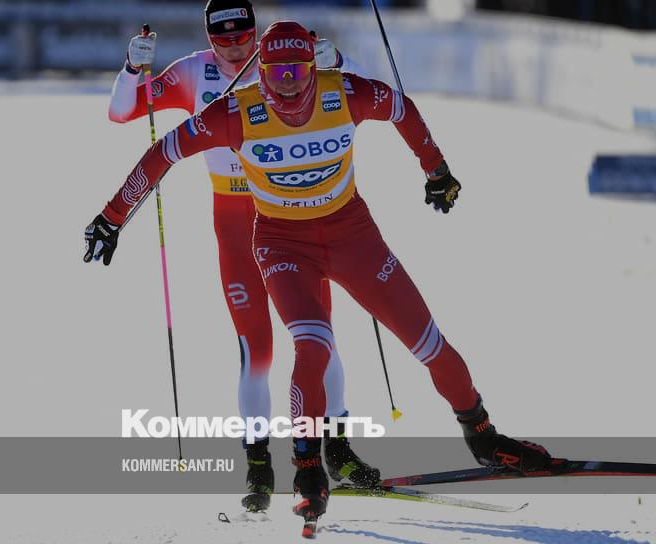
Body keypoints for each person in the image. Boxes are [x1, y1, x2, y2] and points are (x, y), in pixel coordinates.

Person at [85, 20, 553, 522]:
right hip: (283, 244)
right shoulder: (236, 111)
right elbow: (162, 153)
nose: (287, 84)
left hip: (353, 236)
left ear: (314, 67)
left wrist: (435, 169)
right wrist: (112, 218)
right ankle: (308, 470)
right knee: (313, 345)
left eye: (297, 70)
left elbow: (400, 107)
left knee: (429, 343)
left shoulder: (344, 93)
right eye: (275, 72)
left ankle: (483, 438)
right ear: (260, 71)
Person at [104, 0, 376, 512]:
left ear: (255, 31)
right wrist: (131, 70)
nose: (234, 48)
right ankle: (258, 467)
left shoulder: (286, 63)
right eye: (222, 39)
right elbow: (122, 112)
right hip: (234, 223)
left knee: (320, 341)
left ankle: (337, 451)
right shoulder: (192, 72)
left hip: (295, 216)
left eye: (243, 37)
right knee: (258, 351)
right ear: (209, 37)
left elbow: (366, 92)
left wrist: (336, 60)